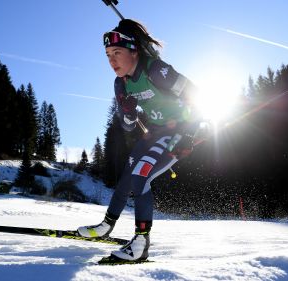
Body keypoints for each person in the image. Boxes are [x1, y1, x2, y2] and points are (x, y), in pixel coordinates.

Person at [78, 19, 200, 262]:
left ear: (133, 51)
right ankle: (107, 225)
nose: (111, 61)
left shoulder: (155, 70)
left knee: (141, 174)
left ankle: (141, 242)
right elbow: (128, 125)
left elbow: (195, 94)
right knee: (126, 178)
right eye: (108, 55)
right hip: (154, 133)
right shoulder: (120, 83)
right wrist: (128, 111)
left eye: (117, 53)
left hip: (177, 131)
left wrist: (189, 133)